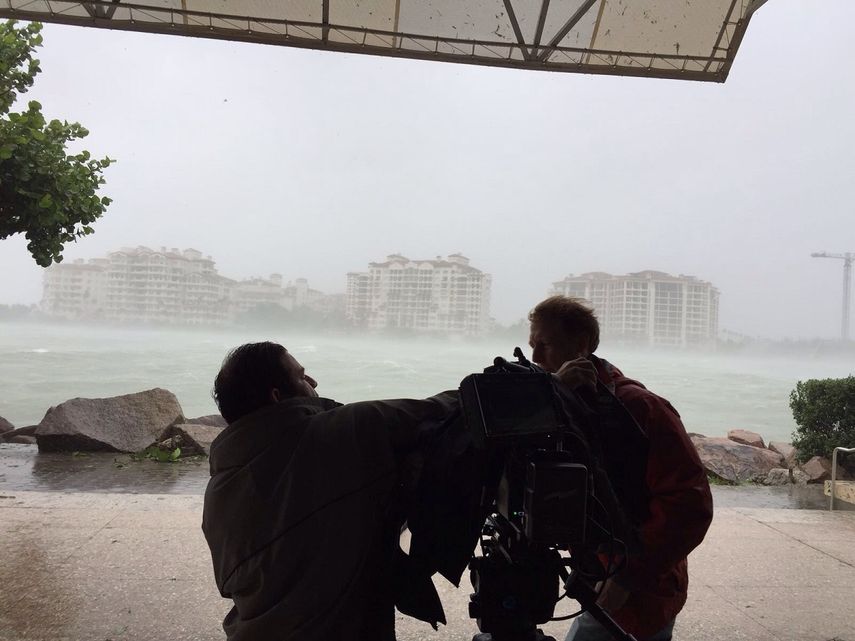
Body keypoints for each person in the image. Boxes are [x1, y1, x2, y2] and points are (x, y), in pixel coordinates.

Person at [201, 341, 455, 641]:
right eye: (301, 377)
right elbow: (442, 411)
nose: (313, 382)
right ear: (277, 397)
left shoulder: (218, 493)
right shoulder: (342, 433)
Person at [527, 296, 713, 641]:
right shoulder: (566, 404)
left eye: (545, 345)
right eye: (531, 347)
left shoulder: (640, 408)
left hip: (641, 587)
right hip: (601, 573)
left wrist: (627, 577)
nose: (536, 358)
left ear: (581, 344)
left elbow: (690, 505)